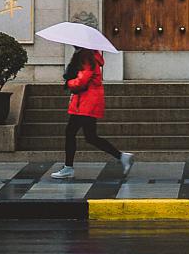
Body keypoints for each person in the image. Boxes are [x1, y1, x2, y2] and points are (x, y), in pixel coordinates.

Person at [51, 47, 132, 180]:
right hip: (86, 102)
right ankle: (122, 157)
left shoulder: (86, 57)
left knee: (71, 132)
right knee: (90, 136)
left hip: (86, 102)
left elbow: (82, 81)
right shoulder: (88, 55)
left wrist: (69, 82)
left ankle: (68, 168)